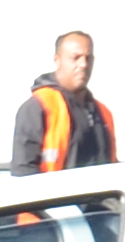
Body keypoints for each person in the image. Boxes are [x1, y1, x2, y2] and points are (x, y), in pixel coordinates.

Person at [11, 30, 113, 172]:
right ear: (57, 60)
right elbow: (23, 169)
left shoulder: (102, 113)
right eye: (75, 58)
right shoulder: (39, 106)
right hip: (56, 194)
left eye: (88, 58)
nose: (83, 64)